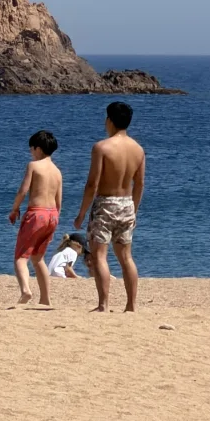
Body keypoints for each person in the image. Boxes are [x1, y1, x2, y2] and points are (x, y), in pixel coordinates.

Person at [74, 100, 146, 313]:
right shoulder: (138, 149)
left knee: (99, 255)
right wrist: (134, 209)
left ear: (110, 120)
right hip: (126, 204)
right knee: (126, 257)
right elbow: (139, 184)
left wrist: (81, 213)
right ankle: (131, 305)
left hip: (105, 204)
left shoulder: (102, 148)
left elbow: (92, 184)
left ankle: (103, 304)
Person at [8, 130, 63, 307]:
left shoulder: (33, 166)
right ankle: (45, 299)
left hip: (36, 213)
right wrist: (55, 219)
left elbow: (23, 191)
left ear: (37, 149)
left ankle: (25, 290)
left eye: (31, 149)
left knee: (21, 257)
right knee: (38, 258)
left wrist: (14, 209)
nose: (31, 152)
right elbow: (59, 202)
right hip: (52, 215)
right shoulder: (57, 172)